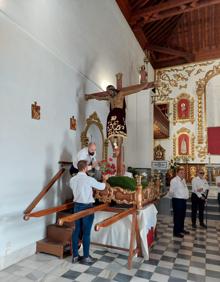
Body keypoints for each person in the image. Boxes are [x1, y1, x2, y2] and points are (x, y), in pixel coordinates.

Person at [85, 81, 154, 153]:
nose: (109, 93)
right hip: (111, 115)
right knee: (111, 134)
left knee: (119, 133)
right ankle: (115, 147)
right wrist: (90, 96)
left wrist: (143, 86)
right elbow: (99, 98)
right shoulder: (109, 97)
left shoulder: (121, 94)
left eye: (110, 91)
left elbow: (134, 91)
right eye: (108, 92)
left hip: (119, 114)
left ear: (113, 90)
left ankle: (118, 149)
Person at [70, 160, 108, 264]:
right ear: (86, 168)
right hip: (87, 207)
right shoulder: (88, 179)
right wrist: (105, 179)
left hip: (76, 206)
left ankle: (75, 256)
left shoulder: (72, 180)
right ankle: (86, 256)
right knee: (86, 232)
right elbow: (102, 187)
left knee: (76, 231)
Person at [169, 166, 189, 238]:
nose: (182, 174)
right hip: (177, 200)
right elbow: (171, 191)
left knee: (182, 216)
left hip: (183, 200)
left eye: (183, 173)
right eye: (181, 173)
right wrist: (173, 197)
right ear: (177, 173)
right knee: (177, 216)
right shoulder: (174, 180)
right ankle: (176, 232)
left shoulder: (183, 180)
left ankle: (181, 229)